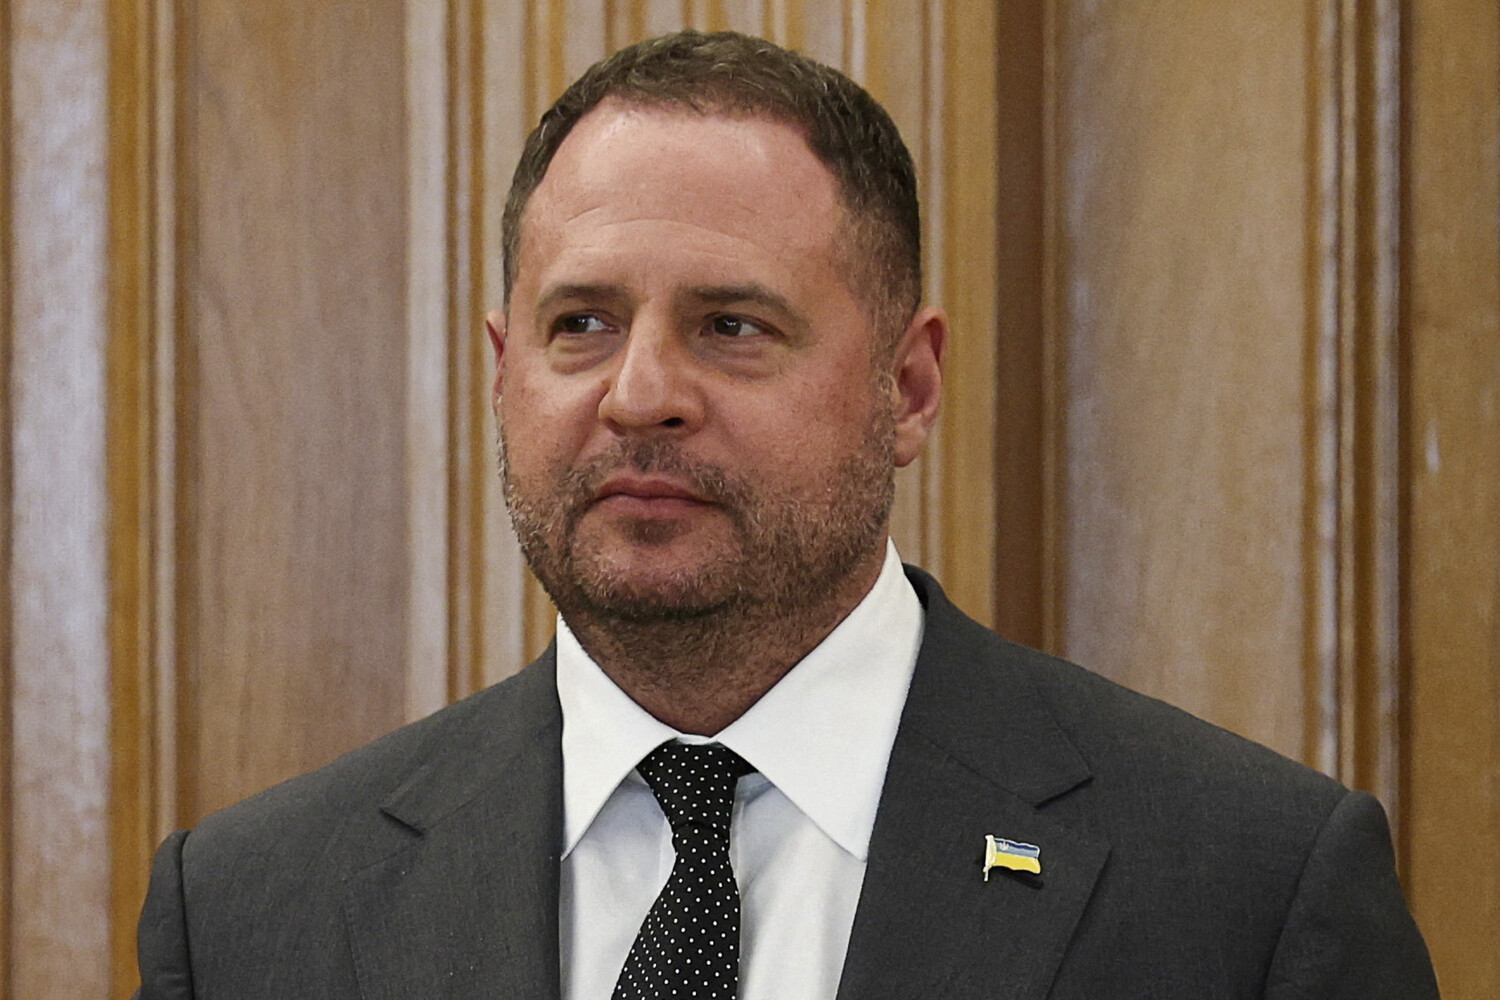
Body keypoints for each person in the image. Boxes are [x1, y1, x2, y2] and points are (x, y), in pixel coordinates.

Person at [134, 30, 1439, 1000]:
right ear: (502, 371)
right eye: (581, 323)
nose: (641, 395)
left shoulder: (1250, 893)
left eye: (732, 326)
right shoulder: (251, 915)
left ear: (907, 387)